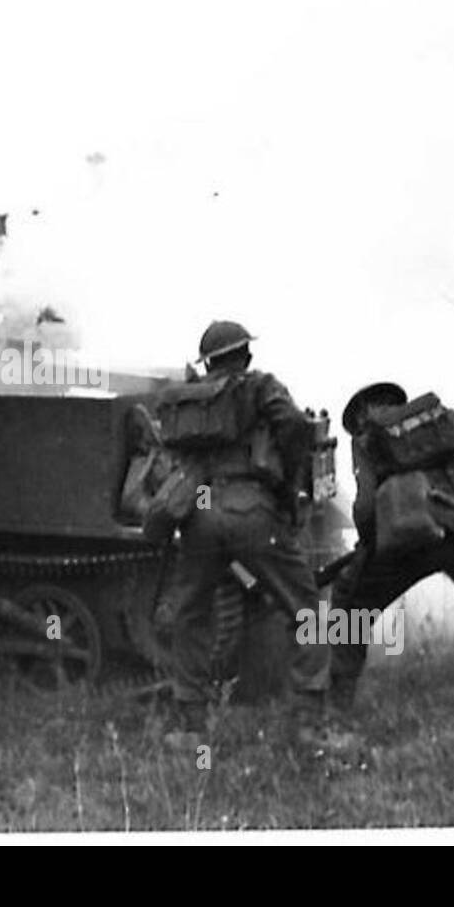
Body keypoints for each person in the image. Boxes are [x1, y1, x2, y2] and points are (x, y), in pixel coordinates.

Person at [155, 320, 332, 749]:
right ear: (245, 356)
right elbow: (292, 426)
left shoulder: (189, 400)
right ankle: (307, 725)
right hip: (251, 509)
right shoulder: (259, 386)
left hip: (199, 510)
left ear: (209, 362)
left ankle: (190, 728)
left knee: (191, 612)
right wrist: (289, 482)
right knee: (307, 609)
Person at [328, 382, 454, 709]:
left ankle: (338, 705)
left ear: (362, 413)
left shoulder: (366, 440)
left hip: (402, 541)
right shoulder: (435, 419)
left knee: (350, 606)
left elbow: (364, 507)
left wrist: (367, 547)